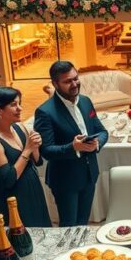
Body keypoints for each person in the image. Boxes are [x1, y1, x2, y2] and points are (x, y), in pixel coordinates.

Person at [34, 61, 109, 227]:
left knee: (83, 224)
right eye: (68, 81)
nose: (74, 84)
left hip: (90, 174)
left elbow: (102, 131)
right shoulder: (45, 112)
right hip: (65, 180)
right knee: (69, 227)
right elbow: (46, 150)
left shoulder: (85, 101)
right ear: (55, 83)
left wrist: (96, 144)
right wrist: (72, 147)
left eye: (76, 78)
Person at [0, 87, 51, 227]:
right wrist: (27, 149)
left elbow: (38, 161)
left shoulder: (21, 127)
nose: (20, 108)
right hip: (14, 197)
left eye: (19, 103)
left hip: (32, 186)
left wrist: (36, 146)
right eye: (13, 105)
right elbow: (9, 179)